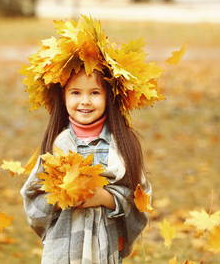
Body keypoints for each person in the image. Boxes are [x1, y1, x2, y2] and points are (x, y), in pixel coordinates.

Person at [19, 15, 163, 264]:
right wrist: (60, 196)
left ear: (109, 97)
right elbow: (33, 196)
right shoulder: (56, 146)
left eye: (95, 92)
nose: (85, 101)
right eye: (75, 92)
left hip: (104, 250)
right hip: (63, 251)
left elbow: (140, 198)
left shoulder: (122, 145)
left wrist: (106, 198)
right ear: (62, 97)